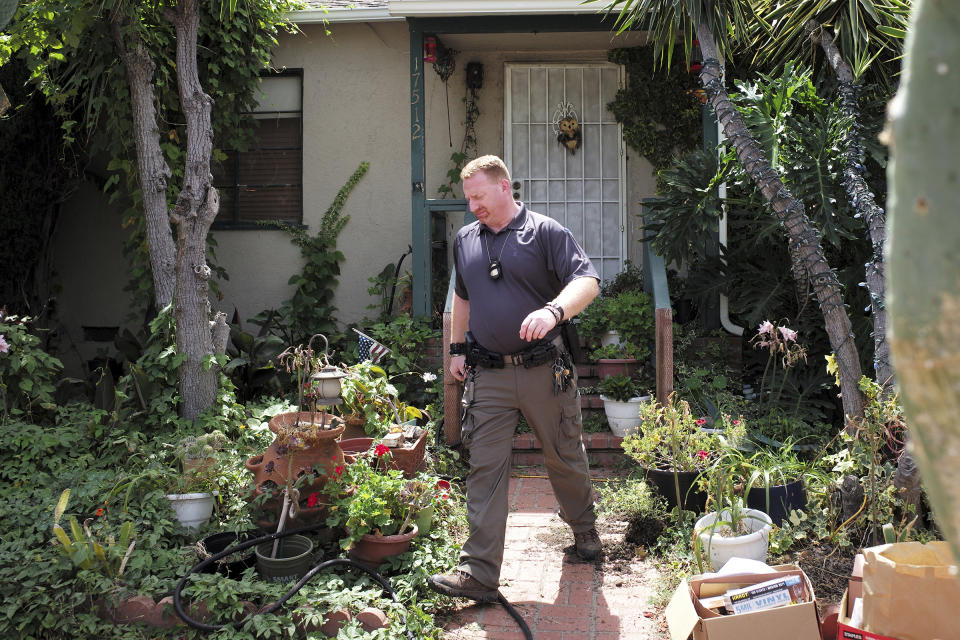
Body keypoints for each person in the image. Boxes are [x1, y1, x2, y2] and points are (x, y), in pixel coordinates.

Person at [428, 155, 601, 603]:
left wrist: (553, 311)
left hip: (545, 369)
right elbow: (461, 298)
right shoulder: (466, 240)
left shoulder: (545, 232)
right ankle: (479, 574)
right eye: (467, 199)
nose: (472, 207)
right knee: (484, 469)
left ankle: (584, 530)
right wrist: (456, 348)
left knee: (564, 455)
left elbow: (588, 281)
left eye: (479, 196)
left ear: (505, 187)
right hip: (487, 375)